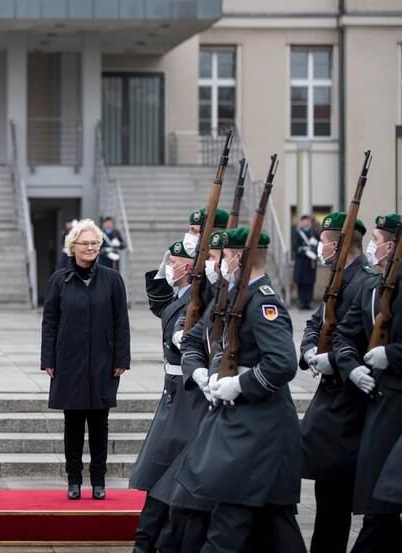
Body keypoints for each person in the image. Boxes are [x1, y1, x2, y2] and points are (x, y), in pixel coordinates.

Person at [176, 227, 306, 553]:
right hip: (242, 425)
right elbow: (196, 339)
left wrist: (239, 385)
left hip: (257, 428)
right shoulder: (234, 297)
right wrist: (203, 372)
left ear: (236, 258)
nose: (216, 264)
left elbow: (282, 363)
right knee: (274, 527)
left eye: (223, 257)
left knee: (228, 527)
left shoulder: (263, 303)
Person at [297, 211, 373, 553]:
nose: (321, 248)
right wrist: (312, 349)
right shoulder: (339, 278)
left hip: (349, 404)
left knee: (336, 500)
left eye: (326, 243)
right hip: (332, 402)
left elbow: (364, 336)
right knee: (329, 499)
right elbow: (316, 321)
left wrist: (338, 363)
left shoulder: (364, 281)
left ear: (341, 246)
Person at [147, 231, 227, 553]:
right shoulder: (194, 293)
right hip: (178, 390)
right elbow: (160, 305)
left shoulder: (217, 292)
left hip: (194, 397)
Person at [40, 218, 130, 500]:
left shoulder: (113, 280)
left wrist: (121, 358)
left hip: (103, 362)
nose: (90, 247)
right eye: (85, 243)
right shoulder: (59, 279)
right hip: (69, 361)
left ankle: (99, 481)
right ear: (72, 247)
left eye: (94, 243)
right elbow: (50, 322)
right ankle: (74, 479)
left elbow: (121, 322)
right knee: (73, 423)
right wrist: (48, 359)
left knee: (100, 423)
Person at [332, 213, 402, 551]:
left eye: (376, 239)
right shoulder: (373, 286)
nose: (373, 246)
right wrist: (350, 367)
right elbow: (345, 334)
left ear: (392, 246)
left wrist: (393, 354)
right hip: (379, 402)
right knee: (380, 500)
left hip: (397, 401)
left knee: (384, 503)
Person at [130, 240, 195, 552]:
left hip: (188, 395)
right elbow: (160, 303)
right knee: (158, 473)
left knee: (167, 474)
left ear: (189, 266)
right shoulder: (181, 297)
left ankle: (153, 542)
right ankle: (148, 541)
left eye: (174, 262)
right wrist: (163, 268)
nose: (169, 266)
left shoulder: (198, 298)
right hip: (173, 393)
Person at [292, 214, 319, 309]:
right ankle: (301, 301)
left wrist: (315, 244)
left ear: (309, 222)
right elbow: (295, 247)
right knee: (301, 282)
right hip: (301, 261)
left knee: (310, 282)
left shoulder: (314, 233)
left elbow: (319, 246)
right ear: (301, 222)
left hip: (310, 262)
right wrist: (305, 251)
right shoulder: (297, 233)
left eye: (307, 220)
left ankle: (309, 301)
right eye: (304, 221)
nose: (305, 222)